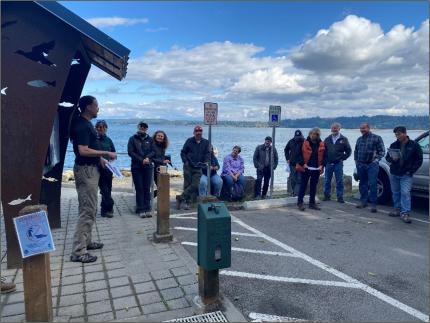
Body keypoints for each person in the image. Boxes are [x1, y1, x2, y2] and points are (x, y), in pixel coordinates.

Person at [69, 95, 117, 263]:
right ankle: (78, 251)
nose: (98, 108)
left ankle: (86, 242)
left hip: (91, 168)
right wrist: (105, 153)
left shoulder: (86, 124)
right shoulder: (82, 125)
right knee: (87, 210)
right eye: (96, 105)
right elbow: (83, 150)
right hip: (86, 171)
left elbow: (90, 149)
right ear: (88, 106)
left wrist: (101, 160)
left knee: (91, 207)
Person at [386, 126, 423, 223]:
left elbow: (419, 160)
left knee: (405, 193)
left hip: (406, 174)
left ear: (405, 133)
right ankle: (397, 209)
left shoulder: (414, 145)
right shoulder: (394, 145)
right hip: (394, 172)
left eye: (399, 134)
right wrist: (392, 159)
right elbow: (387, 157)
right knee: (395, 192)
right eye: (396, 134)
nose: (397, 136)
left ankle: (405, 213)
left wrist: (411, 171)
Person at [354, 122, 385, 213]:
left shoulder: (377, 138)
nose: (362, 130)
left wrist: (376, 161)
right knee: (362, 184)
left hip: (372, 165)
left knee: (372, 184)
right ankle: (363, 202)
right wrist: (356, 161)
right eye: (361, 128)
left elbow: (382, 151)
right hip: (361, 165)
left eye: (364, 128)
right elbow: (356, 151)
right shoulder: (359, 139)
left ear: (369, 128)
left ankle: (374, 204)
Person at [177, 125, 210, 210]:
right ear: (194, 132)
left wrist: (206, 161)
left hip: (198, 167)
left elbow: (208, 153)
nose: (198, 132)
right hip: (188, 166)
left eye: (200, 131)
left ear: (202, 132)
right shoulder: (189, 141)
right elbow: (183, 152)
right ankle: (187, 203)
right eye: (197, 131)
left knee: (195, 185)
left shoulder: (206, 142)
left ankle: (180, 197)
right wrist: (185, 161)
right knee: (187, 184)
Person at [127, 121, 155, 218]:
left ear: (147, 129)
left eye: (144, 127)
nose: (143, 128)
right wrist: (141, 160)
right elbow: (130, 152)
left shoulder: (150, 139)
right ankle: (140, 209)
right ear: (138, 127)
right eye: (141, 127)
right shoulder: (132, 139)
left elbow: (153, 151)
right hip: (136, 167)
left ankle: (147, 208)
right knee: (139, 188)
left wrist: (147, 158)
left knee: (147, 188)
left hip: (148, 167)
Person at [296, 128, 325, 211]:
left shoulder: (321, 144)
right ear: (309, 134)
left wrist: (322, 165)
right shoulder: (303, 142)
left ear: (318, 135)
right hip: (305, 168)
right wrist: (303, 163)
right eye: (312, 134)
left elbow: (325, 156)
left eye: (315, 134)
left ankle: (312, 203)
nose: (313, 135)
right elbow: (298, 154)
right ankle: (300, 203)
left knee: (313, 186)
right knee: (303, 185)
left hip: (316, 168)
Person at [323, 123, 352, 203]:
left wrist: (343, 158)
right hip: (328, 163)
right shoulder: (327, 139)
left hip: (338, 163)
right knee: (327, 180)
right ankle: (327, 196)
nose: (334, 129)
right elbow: (323, 152)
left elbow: (349, 151)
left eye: (335, 128)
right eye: (332, 128)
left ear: (339, 129)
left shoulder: (344, 139)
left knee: (339, 180)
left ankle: (340, 197)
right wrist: (324, 161)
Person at [95, 120, 116, 218]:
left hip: (108, 168)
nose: (101, 129)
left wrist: (111, 161)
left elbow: (114, 154)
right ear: (96, 128)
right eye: (99, 127)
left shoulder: (109, 140)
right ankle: (110, 205)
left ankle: (104, 210)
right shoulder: (94, 139)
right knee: (104, 190)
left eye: (103, 127)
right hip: (97, 168)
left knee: (108, 189)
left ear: (106, 128)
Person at [284, 130, 305, 196]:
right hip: (292, 164)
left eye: (299, 136)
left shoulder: (305, 141)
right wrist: (287, 158)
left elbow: (308, 152)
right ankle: (294, 191)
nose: (297, 138)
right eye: (296, 136)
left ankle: (297, 193)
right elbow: (286, 149)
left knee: (299, 179)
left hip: (301, 164)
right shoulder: (291, 141)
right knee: (293, 179)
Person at [152, 130, 171, 195]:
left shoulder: (162, 146)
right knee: (161, 187)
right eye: (158, 136)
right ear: (155, 136)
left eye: (161, 136)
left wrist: (165, 162)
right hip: (154, 169)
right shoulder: (152, 145)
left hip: (161, 169)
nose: (160, 137)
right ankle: (149, 197)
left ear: (164, 138)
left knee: (163, 187)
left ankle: (150, 198)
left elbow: (161, 157)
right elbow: (151, 158)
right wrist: (162, 161)